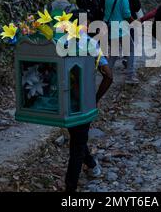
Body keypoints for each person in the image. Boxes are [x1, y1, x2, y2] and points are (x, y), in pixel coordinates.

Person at [64, 10, 113, 193]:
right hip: (84, 102)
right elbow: (108, 75)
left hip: (63, 100)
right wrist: (95, 99)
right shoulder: (91, 44)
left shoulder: (60, 42)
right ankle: (70, 187)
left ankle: (92, 165)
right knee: (77, 144)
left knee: (77, 138)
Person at [104, 0, 138, 84]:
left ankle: (107, 75)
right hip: (121, 28)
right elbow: (126, 14)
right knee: (131, 51)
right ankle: (130, 76)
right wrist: (135, 22)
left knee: (114, 53)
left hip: (111, 27)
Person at [117, 0, 141, 78]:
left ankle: (123, 59)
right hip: (129, 19)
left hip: (116, 20)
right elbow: (137, 7)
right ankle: (129, 71)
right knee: (131, 41)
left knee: (118, 42)